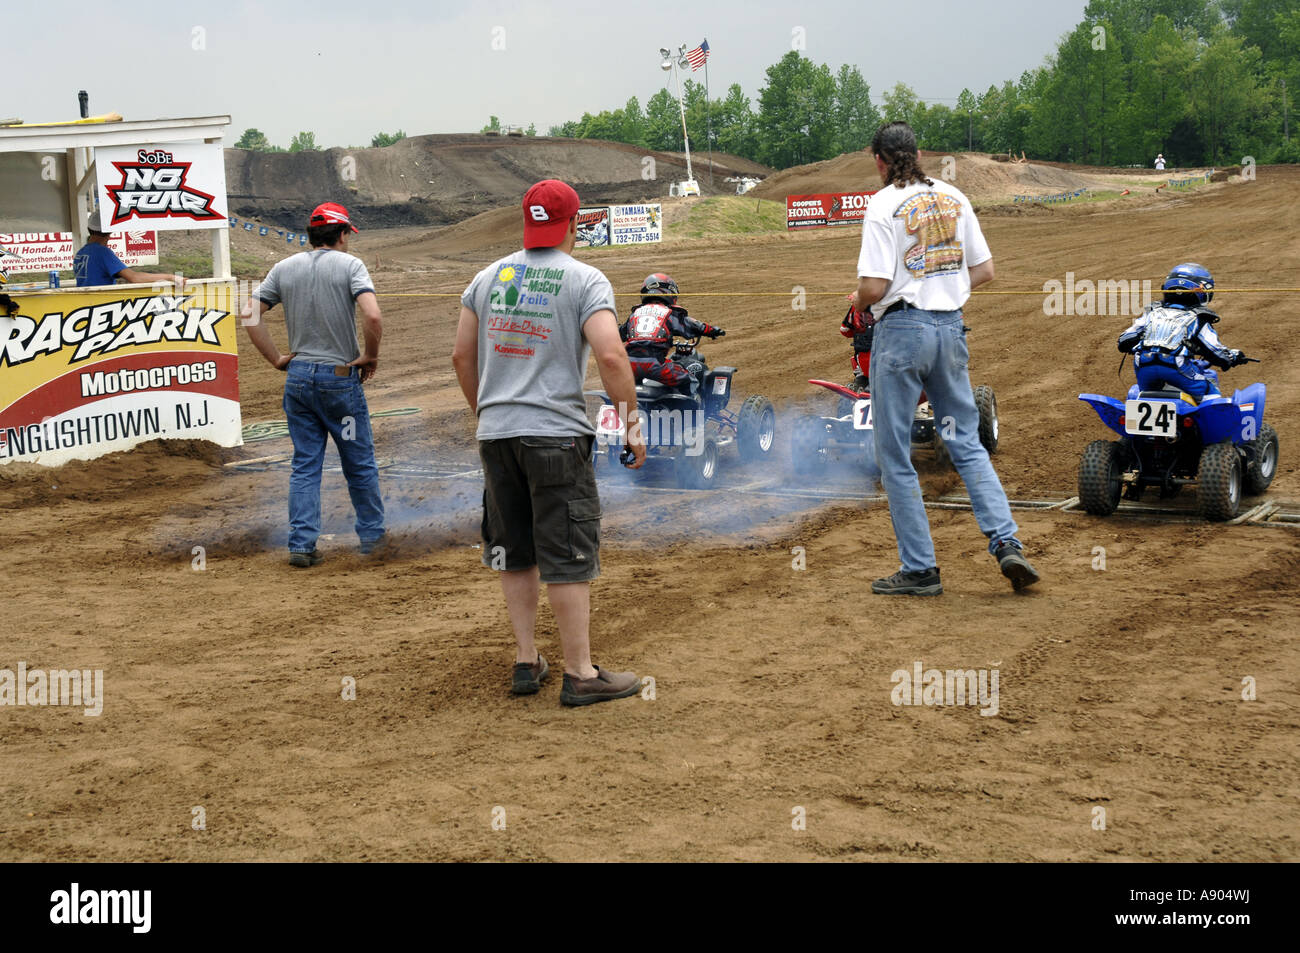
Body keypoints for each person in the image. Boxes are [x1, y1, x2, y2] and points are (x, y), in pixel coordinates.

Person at [453, 179, 648, 707]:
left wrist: (488, 412)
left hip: (497, 434)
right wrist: (630, 425)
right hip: (556, 436)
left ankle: (525, 659)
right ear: (574, 224)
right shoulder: (585, 279)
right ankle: (580, 672)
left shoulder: (487, 277)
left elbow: (461, 358)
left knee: (515, 550)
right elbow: (611, 357)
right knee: (565, 550)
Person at [853, 121, 1039, 595]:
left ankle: (920, 569)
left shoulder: (881, 204)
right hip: (949, 328)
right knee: (967, 444)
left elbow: (874, 286)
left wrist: (859, 303)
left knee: (894, 454)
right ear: (917, 154)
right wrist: (947, 289)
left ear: (879, 160)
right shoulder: (954, 195)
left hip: (901, 333)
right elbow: (986, 270)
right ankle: (1006, 542)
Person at [240, 202, 385, 567]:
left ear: (310, 235)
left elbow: (248, 313)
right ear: (341, 235)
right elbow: (372, 314)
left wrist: (276, 358)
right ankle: (372, 536)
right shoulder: (351, 266)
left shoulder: (284, 267)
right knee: (358, 462)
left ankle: (302, 544)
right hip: (339, 381)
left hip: (299, 379)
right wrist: (370, 355)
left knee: (306, 464)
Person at [1117, 262, 1246, 399]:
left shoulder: (1152, 312)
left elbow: (1123, 340)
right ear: (1202, 292)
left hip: (1144, 366)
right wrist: (1232, 356)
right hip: (1175, 367)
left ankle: (1136, 417)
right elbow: (1217, 352)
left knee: (1144, 396)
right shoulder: (1198, 317)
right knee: (1209, 391)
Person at [620, 273, 724, 397]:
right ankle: (693, 415)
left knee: (631, 389)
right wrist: (711, 330)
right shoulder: (670, 313)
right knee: (690, 381)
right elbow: (694, 325)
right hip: (655, 364)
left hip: (628, 364)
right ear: (669, 292)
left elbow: (619, 334)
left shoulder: (635, 313)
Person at [73, 213, 180, 287]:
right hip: (102, 305)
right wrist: (170, 277)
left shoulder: (81, 253)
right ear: (110, 230)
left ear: (89, 229)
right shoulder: (102, 252)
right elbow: (134, 277)